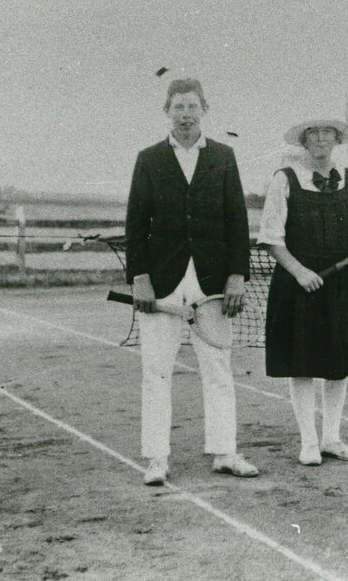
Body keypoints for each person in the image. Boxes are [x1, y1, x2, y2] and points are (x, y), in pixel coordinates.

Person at [125, 78, 259, 485]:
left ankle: (225, 452)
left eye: (192, 107)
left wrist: (236, 275)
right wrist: (140, 278)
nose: (185, 114)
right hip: (162, 280)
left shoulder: (223, 156)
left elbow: (237, 220)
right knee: (156, 370)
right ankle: (157, 458)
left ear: (204, 110)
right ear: (167, 111)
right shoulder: (149, 159)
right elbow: (136, 224)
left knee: (217, 368)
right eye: (178, 107)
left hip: (213, 281)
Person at [259, 119, 348, 466]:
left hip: (343, 283)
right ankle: (309, 442)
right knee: (302, 365)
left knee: (339, 364)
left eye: (328, 133)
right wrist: (299, 272)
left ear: (338, 139)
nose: (321, 138)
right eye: (314, 133)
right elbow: (271, 237)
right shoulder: (285, 179)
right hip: (299, 283)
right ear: (304, 140)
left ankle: (332, 439)